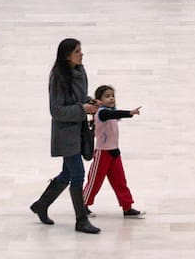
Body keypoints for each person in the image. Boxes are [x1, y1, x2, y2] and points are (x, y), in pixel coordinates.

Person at [29, 38, 101, 234]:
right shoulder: (58, 78)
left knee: (68, 174)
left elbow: (78, 98)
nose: (82, 54)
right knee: (78, 174)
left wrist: (90, 101)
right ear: (67, 55)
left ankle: (41, 205)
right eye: (78, 51)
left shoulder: (80, 70)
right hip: (65, 134)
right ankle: (81, 220)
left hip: (78, 131)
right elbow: (56, 110)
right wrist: (82, 108)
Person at [84, 84, 144, 217]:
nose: (111, 98)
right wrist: (130, 113)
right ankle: (83, 205)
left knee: (120, 181)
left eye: (112, 96)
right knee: (94, 182)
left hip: (114, 153)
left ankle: (127, 207)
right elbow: (113, 114)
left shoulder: (111, 113)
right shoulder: (102, 113)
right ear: (99, 100)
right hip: (102, 154)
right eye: (107, 96)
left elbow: (114, 114)